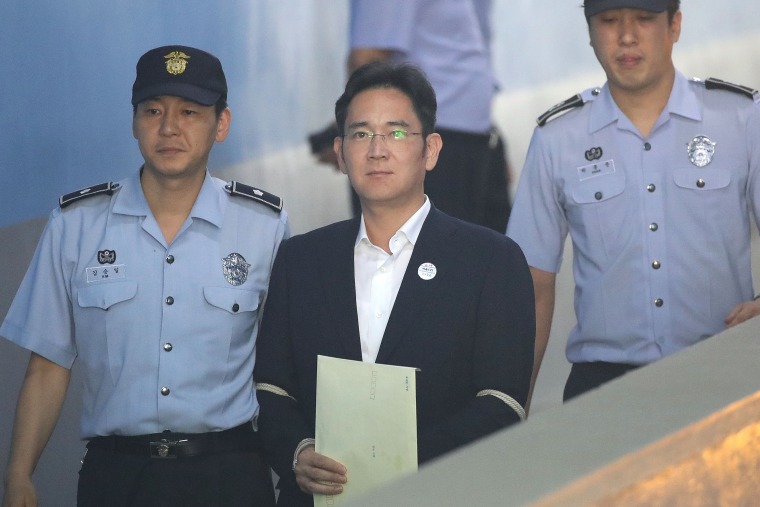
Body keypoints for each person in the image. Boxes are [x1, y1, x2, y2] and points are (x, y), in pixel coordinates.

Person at [1, 45, 289, 507]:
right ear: (134, 121)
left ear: (222, 124)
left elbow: (284, 367)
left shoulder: (264, 226)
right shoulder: (76, 225)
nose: (169, 127)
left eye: (190, 112)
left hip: (230, 476)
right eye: (152, 110)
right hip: (117, 477)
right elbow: (47, 368)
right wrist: (18, 476)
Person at [255, 61, 535, 506]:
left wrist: (397, 460)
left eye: (398, 132)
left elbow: (502, 402)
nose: (378, 150)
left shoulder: (491, 261)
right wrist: (299, 451)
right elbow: (270, 387)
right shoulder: (301, 260)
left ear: (431, 150)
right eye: (361, 133)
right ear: (340, 152)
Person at [507, 0, 760, 403]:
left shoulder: (741, 118)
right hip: (602, 388)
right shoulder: (558, 138)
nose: (626, 36)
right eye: (609, 21)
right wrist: (512, 405)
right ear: (589, 33)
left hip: (723, 371)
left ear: (675, 25)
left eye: (644, 19)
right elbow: (531, 285)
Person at [309, 0, 512, 232]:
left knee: (463, 256)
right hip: (432, 136)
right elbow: (369, 57)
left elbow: (367, 57)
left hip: (457, 138)